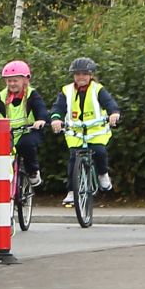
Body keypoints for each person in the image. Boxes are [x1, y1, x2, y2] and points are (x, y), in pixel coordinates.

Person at [50, 57, 121, 204]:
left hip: (96, 131)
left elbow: (109, 103)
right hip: (75, 132)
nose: (80, 77)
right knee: (73, 159)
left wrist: (113, 113)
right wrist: (56, 119)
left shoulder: (98, 89)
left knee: (99, 152)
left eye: (84, 74)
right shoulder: (66, 90)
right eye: (77, 74)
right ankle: (71, 191)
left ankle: (102, 174)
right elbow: (58, 107)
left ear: (91, 75)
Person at [0, 61, 51, 187]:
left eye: (15, 80)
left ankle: (33, 172)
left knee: (26, 145)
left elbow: (41, 108)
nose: (12, 84)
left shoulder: (31, 94)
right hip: (9, 133)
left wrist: (41, 119)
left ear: (25, 80)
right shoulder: (1, 96)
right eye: (9, 81)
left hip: (30, 131)